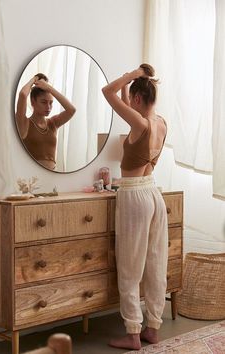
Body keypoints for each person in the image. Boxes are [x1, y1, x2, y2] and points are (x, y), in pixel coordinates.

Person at [102, 64, 168, 350]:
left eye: (132, 100)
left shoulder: (139, 124)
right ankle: (152, 326)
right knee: (155, 262)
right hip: (154, 193)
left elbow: (107, 92)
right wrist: (135, 83)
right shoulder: (161, 123)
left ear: (138, 100)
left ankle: (132, 333)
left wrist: (131, 74)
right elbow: (124, 100)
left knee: (130, 266)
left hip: (134, 196)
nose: (129, 104)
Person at [16, 73, 76, 170]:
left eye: (51, 103)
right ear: (32, 102)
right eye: (44, 102)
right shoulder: (24, 123)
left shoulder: (53, 123)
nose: (48, 107)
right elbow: (23, 94)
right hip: (32, 178)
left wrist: (49, 88)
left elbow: (71, 110)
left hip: (52, 175)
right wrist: (34, 79)